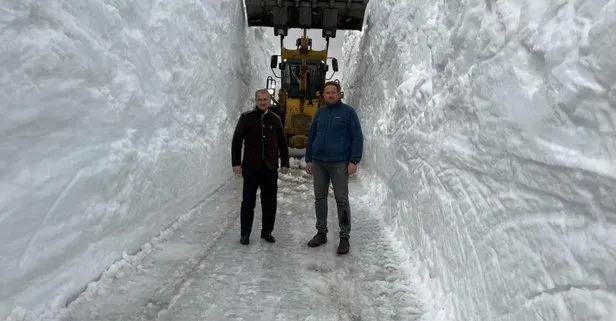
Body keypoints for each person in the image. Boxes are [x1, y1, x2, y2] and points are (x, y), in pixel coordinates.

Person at [304, 81, 363, 254]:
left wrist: (354, 160)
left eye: (333, 92)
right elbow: (312, 135)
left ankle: (344, 237)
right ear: (323, 95)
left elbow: (357, 137)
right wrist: (309, 159)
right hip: (319, 162)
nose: (330, 95)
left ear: (339, 94)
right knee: (320, 198)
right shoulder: (320, 113)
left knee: (341, 199)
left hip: (339, 163)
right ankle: (321, 232)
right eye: (327, 92)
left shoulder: (348, 113)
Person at [231, 89, 290, 245]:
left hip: (269, 168)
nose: (263, 102)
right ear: (256, 100)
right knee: (248, 202)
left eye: (266, 99)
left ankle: (267, 232)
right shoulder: (246, 118)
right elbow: (237, 141)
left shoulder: (276, 119)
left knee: (269, 202)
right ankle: (245, 234)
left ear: (270, 101)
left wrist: (284, 163)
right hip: (251, 167)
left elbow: (283, 144)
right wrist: (236, 163)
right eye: (260, 99)